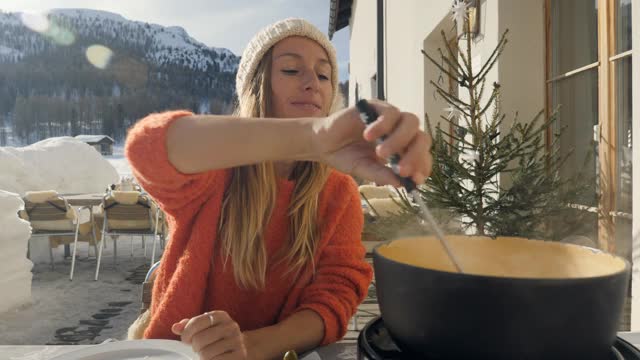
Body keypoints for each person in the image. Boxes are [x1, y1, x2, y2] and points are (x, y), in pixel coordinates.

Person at [125, 18, 432, 360]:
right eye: (290, 70)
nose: (312, 83)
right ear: (257, 86)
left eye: (324, 74)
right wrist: (312, 136)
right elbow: (145, 147)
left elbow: (337, 293)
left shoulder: (337, 192)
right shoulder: (212, 171)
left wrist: (249, 346)